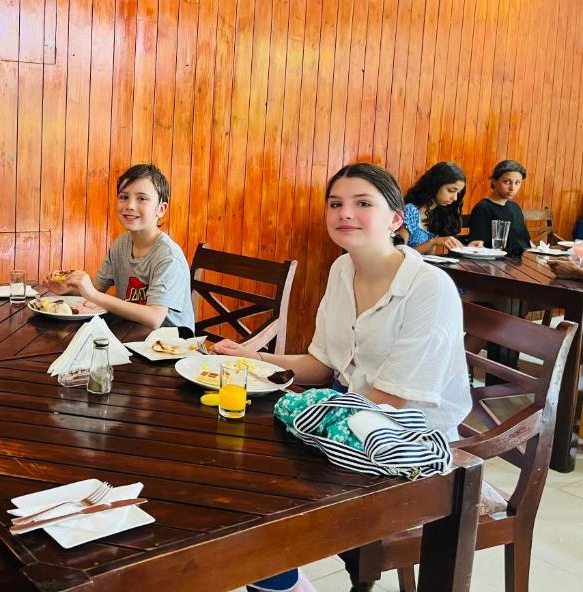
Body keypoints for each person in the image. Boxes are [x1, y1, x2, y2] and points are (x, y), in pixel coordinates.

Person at [215, 163, 471, 592]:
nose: (344, 213)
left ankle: (278, 572)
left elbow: (392, 402)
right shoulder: (341, 269)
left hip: (411, 449)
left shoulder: (430, 287)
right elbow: (323, 365)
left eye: (362, 203)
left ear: (395, 218)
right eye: (336, 204)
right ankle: (277, 576)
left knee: (259, 505)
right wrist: (253, 358)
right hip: (351, 420)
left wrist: (312, 418)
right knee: (237, 476)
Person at [49, 163, 195, 331]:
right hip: (131, 336)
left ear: (160, 210)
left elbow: (154, 318)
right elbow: (95, 288)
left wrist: (93, 295)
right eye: (124, 197)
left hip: (172, 347)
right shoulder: (121, 244)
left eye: (141, 198)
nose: (130, 205)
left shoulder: (168, 257)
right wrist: (68, 289)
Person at [396, 161, 466, 254]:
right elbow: (399, 253)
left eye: (458, 193)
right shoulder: (410, 211)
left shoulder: (438, 213)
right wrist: (433, 242)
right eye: (451, 190)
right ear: (435, 185)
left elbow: (429, 256)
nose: (455, 198)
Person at [466, 159, 532, 255]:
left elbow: (527, 242)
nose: (512, 188)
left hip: (522, 262)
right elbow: (477, 246)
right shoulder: (483, 208)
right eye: (507, 182)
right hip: (496, 263)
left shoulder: (515, 207)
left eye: (517, 183)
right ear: (494, 181)